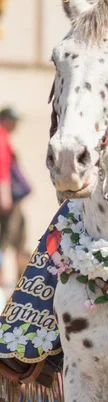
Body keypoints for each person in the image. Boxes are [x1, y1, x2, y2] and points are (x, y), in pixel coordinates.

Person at [0, 108, 31, 283]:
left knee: (13, 239)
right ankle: (17, 282)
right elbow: (2, 168)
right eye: (13, 120)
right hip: (8, 198)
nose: (16, 124)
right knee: (8, 240)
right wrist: (4, 195)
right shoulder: (1, 136)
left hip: (10, 197)